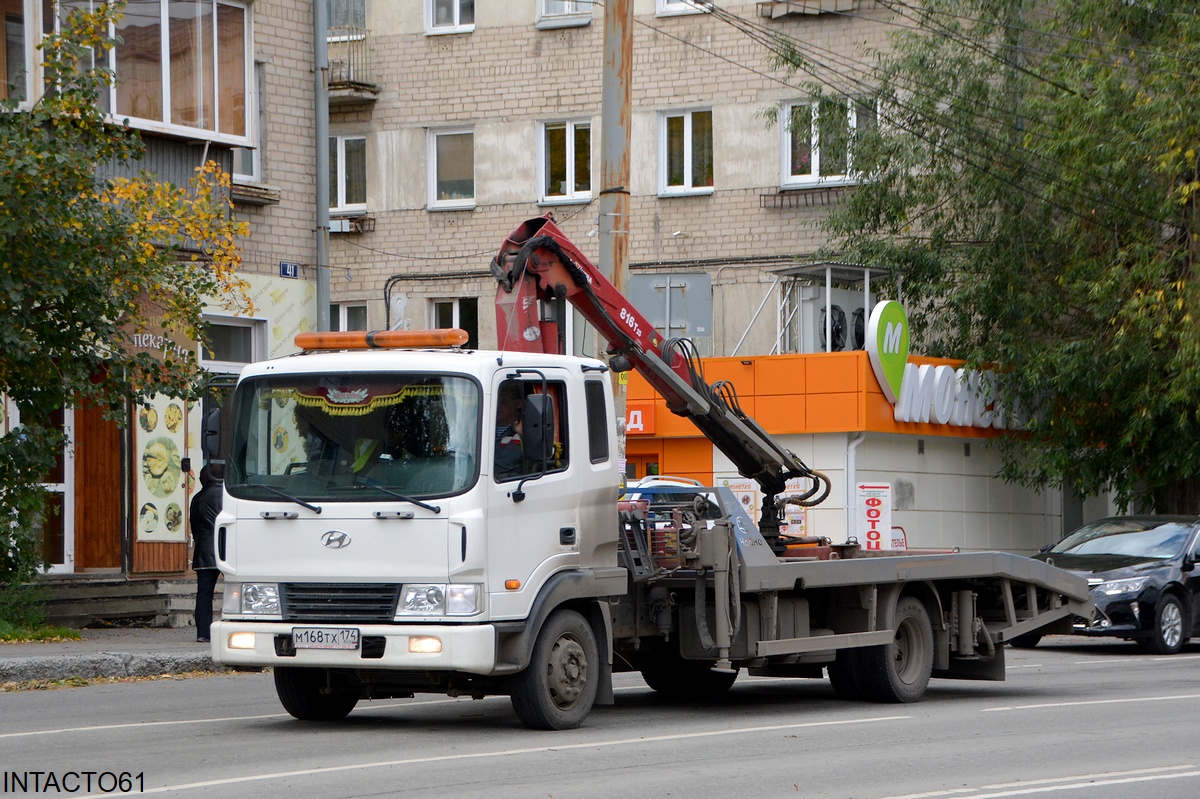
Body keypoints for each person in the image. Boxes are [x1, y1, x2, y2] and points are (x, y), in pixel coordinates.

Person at [190, 462, 224, 643]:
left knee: (204, 594)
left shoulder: (196, 498)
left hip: (203, 550)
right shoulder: (225, 496)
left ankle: (203, 633)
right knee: (235, 590)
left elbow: (194, 527)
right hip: (226, 550)